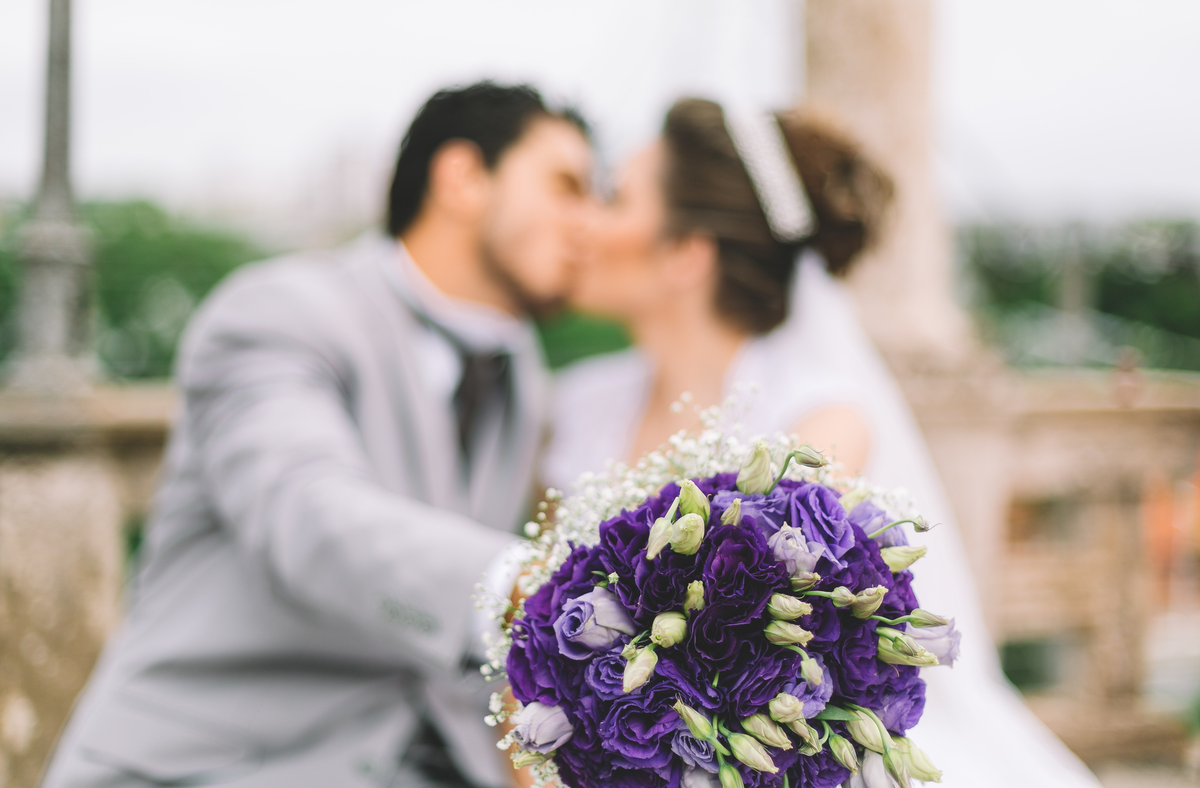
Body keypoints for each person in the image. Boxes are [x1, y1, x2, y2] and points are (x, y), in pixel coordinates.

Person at [42, 82, 594, 788]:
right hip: (212, 766)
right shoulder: (277, 310)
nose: (591, 223)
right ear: (462, 178)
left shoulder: (522, 373)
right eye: (566, 186)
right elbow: (305, 509)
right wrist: (522, 583)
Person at [543, 98, 1102, 788]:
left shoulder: (820, 424)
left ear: (687, 253)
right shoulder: (577, 403)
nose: (584, 223)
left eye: (616, 199)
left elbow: (759, 659)